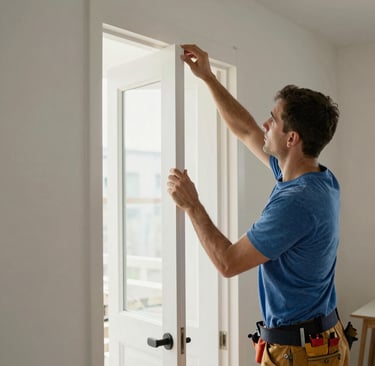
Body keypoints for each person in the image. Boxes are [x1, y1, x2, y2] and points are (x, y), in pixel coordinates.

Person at [167, 44, 350, 365]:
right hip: (318, 340)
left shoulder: (297, 202)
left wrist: (192, 205)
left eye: (274, 119)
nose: (266, 124)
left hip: (302, 353)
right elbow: (246, 130)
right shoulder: (317, 177)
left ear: (292, 139)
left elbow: (228, 263)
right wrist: (209, 78)